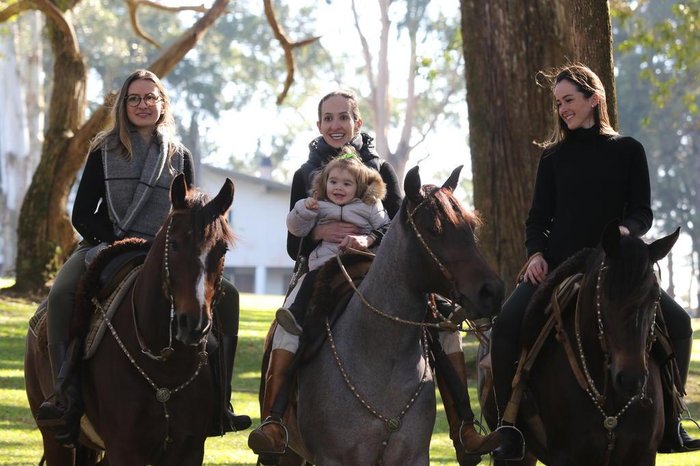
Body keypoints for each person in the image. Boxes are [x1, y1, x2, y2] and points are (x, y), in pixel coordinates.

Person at [248, 90, 500, 463]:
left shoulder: (382, 170)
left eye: (343, 117)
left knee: (445, 325)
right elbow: (292, 243)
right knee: (289, 323)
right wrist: (319, 233)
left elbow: (404, 226)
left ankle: (465, 426)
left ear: (357, 123)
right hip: (322, 269)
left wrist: (366, 238)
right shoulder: (305, 173)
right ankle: (273, 421)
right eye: (328, 118)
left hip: (378, 268)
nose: (336, 125)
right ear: (319, 125)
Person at [489, 63, 700, 460]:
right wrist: (535, 253)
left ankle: (671, 420)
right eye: (558, 103)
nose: (562, 109)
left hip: (614, 265)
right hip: (557, 266)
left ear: (594, 98)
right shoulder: (552, 158)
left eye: (569, 100)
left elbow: (642, 212)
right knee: (505, 326)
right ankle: (509, 427)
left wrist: (626, 230)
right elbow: (538, 219)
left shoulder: (628, 150)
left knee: (679, 323)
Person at [35, 69, 250, 446]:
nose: (143, 104)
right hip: (107, 244)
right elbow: (83, 213)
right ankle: (63, 392)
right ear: (123, 105)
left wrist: (166, 246)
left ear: (163, 104)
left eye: (151, 98)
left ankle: (221, 401)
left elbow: (191, 214)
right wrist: (114, 240)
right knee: (61, 293)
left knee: (228, 295)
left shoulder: (179, 154)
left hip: (167, 249)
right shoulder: (103, 150)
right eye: (134, 98)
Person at [275, 146, 390, 336]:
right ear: (325, 182)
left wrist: (367, 239)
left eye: (347, 184)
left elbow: (388, 227)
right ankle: (296, 315)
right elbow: (296, 229)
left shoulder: (369, 206)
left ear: (359, 187)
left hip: (361, 262)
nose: (338, 187)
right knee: (312, 279)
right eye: (333, 181)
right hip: (325, 262)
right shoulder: (318, 205)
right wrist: (305, 210)